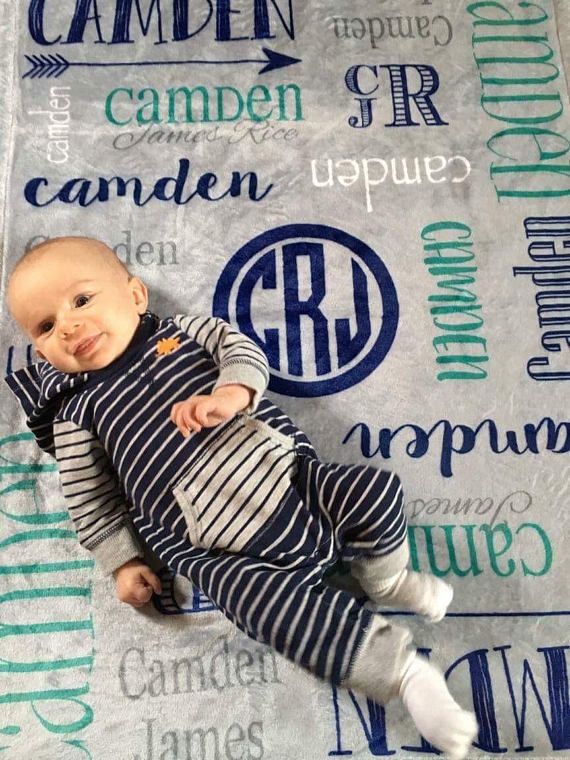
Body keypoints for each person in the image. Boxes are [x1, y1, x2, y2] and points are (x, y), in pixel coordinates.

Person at [5, 236, 478, 758]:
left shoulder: (182, 333)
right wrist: (121, 562)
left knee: (373, 490)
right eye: (44, 328)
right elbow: (89, 499)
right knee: (271, 614)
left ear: (136, 295)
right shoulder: (78, 414)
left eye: (81, 300)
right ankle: (407, 676)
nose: (67, 327)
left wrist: (230, 393)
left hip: (294, 484)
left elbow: (242, 350)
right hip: (220, 551)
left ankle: (386, 578)